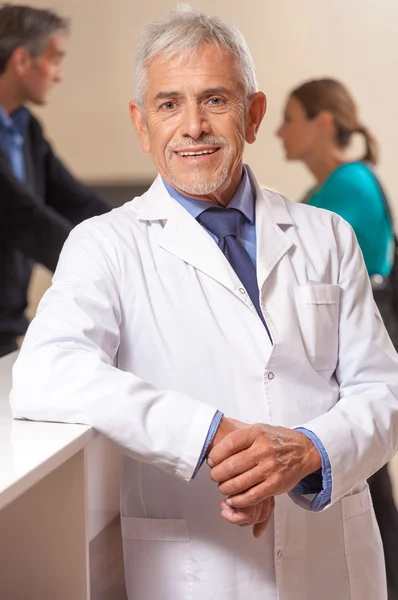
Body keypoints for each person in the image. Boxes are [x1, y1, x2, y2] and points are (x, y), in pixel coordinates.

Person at [10, 5, 398, 599]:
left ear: (253, 114)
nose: (192, 126)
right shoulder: (105, 244)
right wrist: (209, 435)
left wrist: (310, 450)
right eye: (169, 104)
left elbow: (383, 391)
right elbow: (46, 371)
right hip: (200, 569)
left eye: (215, 99)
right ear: (142, 124)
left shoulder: (325, 236)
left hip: (333, 561)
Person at [277, 77, 398, 599]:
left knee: (367, 490)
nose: (278, 131)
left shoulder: (347, 187)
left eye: (290, 117)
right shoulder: (321, 193)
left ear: (322, 122)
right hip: (336, 377)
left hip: (351, 375)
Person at [0, 5, 110, 358]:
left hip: (7, 326)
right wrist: (110, 267)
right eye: (55, 59)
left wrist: (140, 235)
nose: (59, 75)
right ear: (21, 60)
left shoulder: (25, 128)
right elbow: (22, 217)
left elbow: (77, 201)